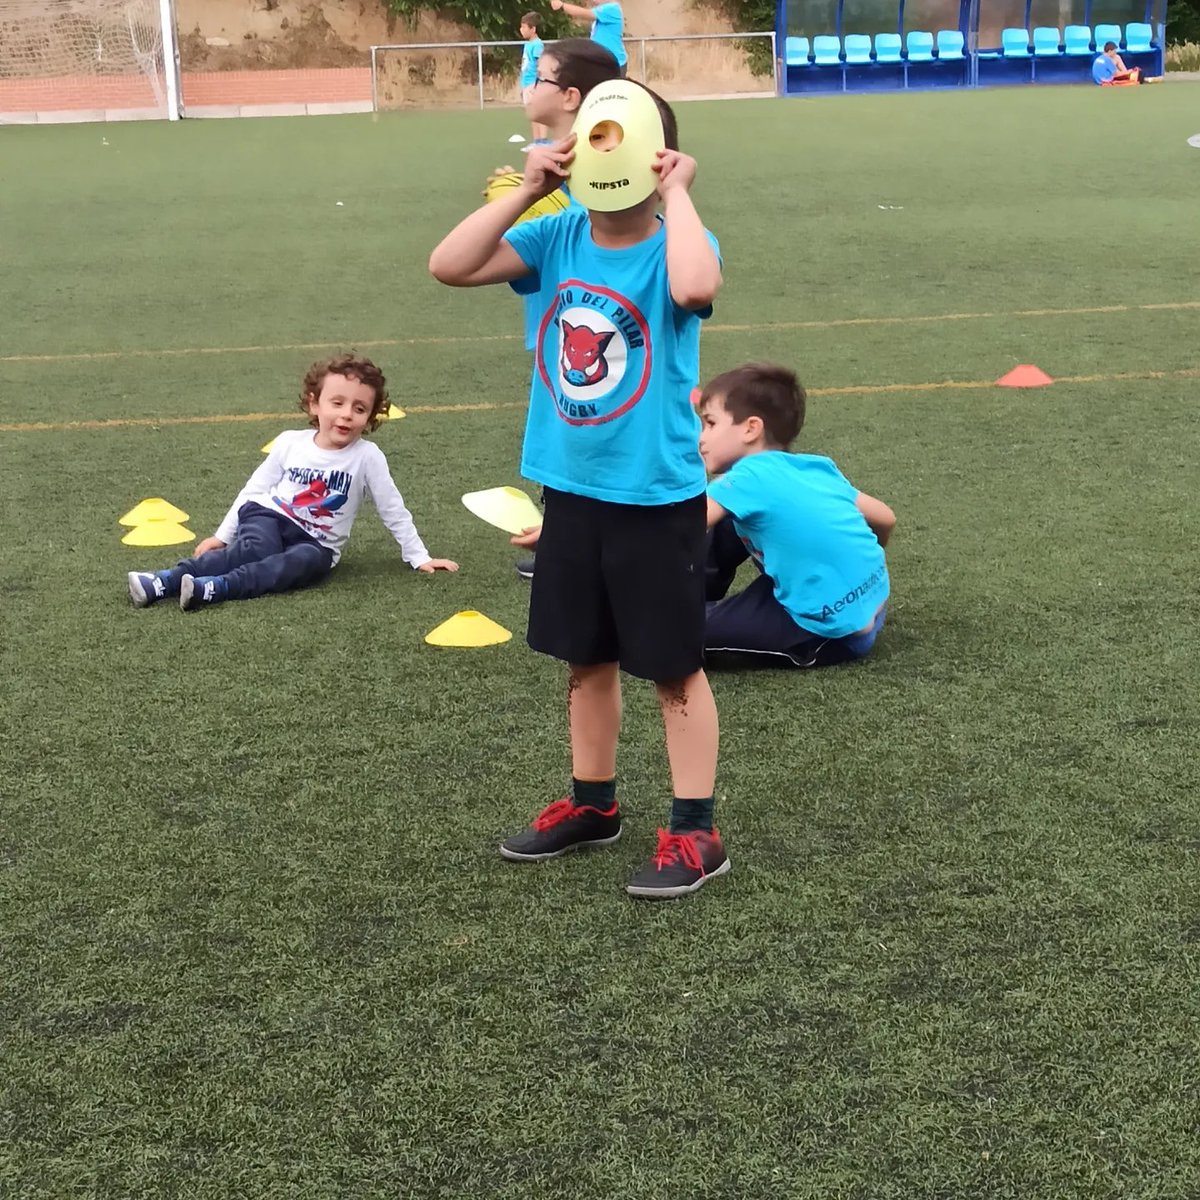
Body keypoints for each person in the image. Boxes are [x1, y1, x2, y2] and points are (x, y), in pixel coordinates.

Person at [429, 85, 727, 899]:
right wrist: (529, 187)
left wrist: (679, 192)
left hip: (654, 494)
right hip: (571, 488)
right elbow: (449, 266)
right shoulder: (557, 234)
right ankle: (594, 805)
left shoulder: (676, 243)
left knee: (671, 667)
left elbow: (697, 289)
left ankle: (697, 831)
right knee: (583, 657)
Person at [127, 354, 458, 611]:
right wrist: (221, 536)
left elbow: (392, 509)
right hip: (269, 516)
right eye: (337, 403)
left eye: (359, 409)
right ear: (315, 404)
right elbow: (253, 490)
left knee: (307, 564)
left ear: (370, 418)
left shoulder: (367, 457)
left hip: (317, 543)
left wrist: (419, 557)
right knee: (258, 549)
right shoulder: (290, 442)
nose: (346, 414)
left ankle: (214, 588)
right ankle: (164, 581)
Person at [698, 363, 894, 668]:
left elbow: (685, 526)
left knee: (675, 636)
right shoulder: (814, 466)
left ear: (751, 428)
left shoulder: (747, 478)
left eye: (709, 423)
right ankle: (702, 597)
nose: (701, 438)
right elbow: (886, 517)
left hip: (826, 630)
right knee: (730, 518)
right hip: (874, 603)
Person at [550, 0, 627, 74]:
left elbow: (585, 13)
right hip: (605, 62)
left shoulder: (611, 8)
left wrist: (562, 6)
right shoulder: (605, 10)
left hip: (614, 63)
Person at [517, 12, 546, 140]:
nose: (521, 30)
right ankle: (536, 141)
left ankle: (543, 141)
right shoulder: (528, 44)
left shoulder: (537, 45)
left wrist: (537, 85)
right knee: (532, 115)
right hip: (527, 84)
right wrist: (523, 87)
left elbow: (541, 65)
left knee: (538, 114)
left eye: (524, 27)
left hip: (533, 84)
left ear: (533, 29)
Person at [1092, 41, 1162, 86]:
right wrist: (1130, 71)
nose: (1115, 53)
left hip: (1099, 80)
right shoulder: (1108, 60)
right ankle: (1148, 80)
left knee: (1133, 74)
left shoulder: (1099, 58)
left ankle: (1148, 79)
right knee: (1135, 77)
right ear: (1110, 51)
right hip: (1106, 81)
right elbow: (1116, 74)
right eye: (1114, 51)